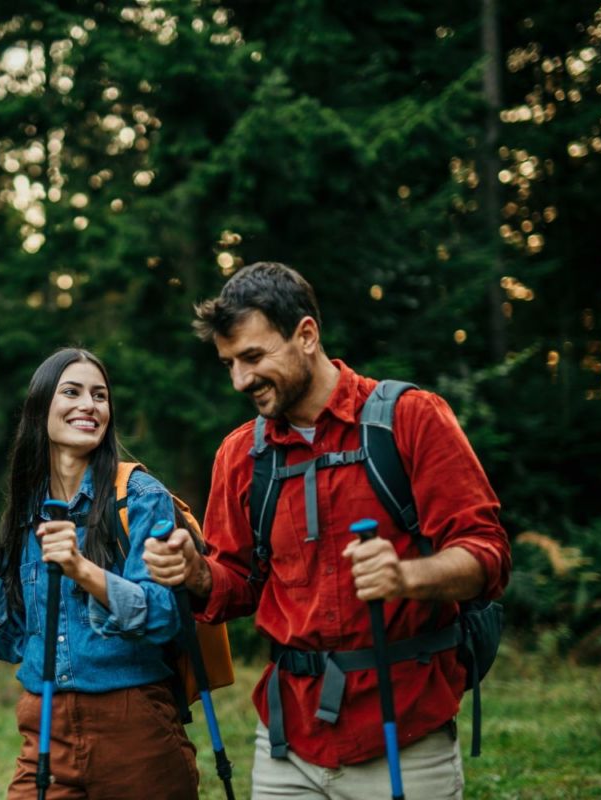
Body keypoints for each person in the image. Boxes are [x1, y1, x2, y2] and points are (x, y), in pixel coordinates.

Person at [142, 263, 511, 799]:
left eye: (252, 357)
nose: (240, 380)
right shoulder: (242, 455)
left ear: (306, 335)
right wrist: (197, 573)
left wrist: (407, 576)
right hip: (287, 742)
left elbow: (487, 554)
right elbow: (239, 585)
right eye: (229, 364)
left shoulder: (410, 419)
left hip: (403, 729)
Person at [0, 347, 200, 799]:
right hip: (44, 725)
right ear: (41, 410)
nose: (88, 405)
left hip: (133, 725)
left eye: (100, 395)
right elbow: (15, 641)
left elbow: (160, 616)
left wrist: (80, 568)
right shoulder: (27, 509)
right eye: (72, 392)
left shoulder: (139, 497)